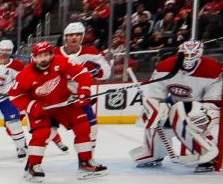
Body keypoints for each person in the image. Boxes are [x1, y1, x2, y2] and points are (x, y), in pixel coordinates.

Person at [8, 41, 107, 182]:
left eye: (46, 55)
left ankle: (85, 164)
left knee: (83, 126)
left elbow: (82, 74)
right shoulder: (26, 74)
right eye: (40, 56)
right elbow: (15, 95)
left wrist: (84, 91)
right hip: (40, 108)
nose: (44, 59)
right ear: (34, 57)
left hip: (63, 104)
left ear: (51, 54)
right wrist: (32, 106)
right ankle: (33, 167)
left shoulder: (61, 61)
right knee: (42, 133)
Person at [130, 39, 221, 172]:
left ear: (200, 55)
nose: (188, 59)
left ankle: (204, 153)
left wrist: (207, 113)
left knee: (187, 115)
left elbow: (213, 102)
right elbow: (155, 95)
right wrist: (153, 106)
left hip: (200, 107)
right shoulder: (165, 67)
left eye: (192, 55)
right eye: (186, 55)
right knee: (154, 114)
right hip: (176, 104)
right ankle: (155, 153)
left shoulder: (212, 69)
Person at [58, 21, 113, 143]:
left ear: (82, 36)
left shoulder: (91, 52)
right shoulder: (54, 53)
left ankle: (87, 160)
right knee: (45, 131)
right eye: (70, 35)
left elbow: (106, 72)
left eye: (77, 34)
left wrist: (94, 71)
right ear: (65, 37)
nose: (74, 37)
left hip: (79, 98)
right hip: (57, 99)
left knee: (92, 128)